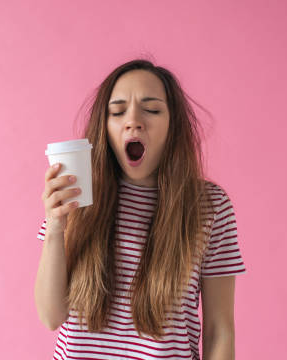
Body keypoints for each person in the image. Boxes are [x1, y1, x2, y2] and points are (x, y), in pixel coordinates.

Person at [34, 59, 247, 360]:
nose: (133, 120)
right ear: (104, 128)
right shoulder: (77, 195)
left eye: (152, 109)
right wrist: (56, 225)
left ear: (173, 125)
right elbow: (50, 316)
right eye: (118, 111)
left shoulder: (209, 207)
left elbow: (219, 329)